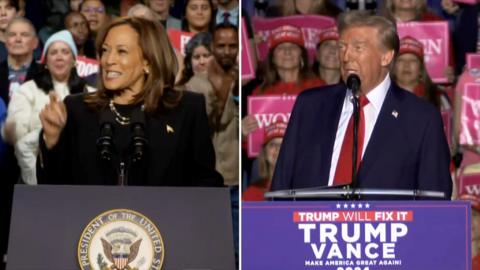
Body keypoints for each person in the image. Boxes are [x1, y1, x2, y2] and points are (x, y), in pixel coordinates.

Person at [271, 11, 452, 199]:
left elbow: (434, 201)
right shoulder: (309, 106)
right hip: (308, 228)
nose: (346, 56)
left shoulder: (421, 118)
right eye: (342, 47)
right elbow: (280, 188)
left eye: (358, 48)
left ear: (386, 57)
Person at [36, 17, 223, 187]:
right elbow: (53, 189)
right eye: (105, 50)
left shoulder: (186, 109)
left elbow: (206, 185)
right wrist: (51, 142)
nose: (108, 60)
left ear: (148, 62)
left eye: (121, 51)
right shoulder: (77, 109)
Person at [5, 30, 91, 185]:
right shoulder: (27, 90)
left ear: (73, 60)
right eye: (53, 52)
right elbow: (20, 140)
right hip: (34, 173)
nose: (59, 57)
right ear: (45, 61)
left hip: (80, 178)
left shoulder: (90, 93)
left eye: (65, 52)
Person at [392, 36, 450, 110]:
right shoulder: (382, 96)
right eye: (400, 60)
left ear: (420, 69)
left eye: (413, 60)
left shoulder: (438, 98)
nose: (406, 65)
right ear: (393, 68)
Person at [243, 121, 286, 201]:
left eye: (283, 144)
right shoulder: (252, 193)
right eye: (272, 144)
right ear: (265, 152)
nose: (278, 149)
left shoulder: (302, 189)